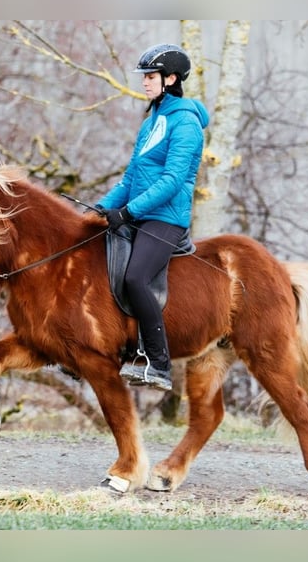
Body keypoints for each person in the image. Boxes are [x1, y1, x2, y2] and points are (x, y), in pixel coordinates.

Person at [97, 43, 210, 391]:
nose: (145, 82)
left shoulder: (187, 123)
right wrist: (100, 209)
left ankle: (158, 364)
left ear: (171, 78)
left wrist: (129, 211)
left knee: (135, 278)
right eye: (144, 77)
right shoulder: (152, 122)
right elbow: (131, 177)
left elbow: (173, 180)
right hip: (141, 213)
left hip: (166, 219)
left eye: (151, 76)